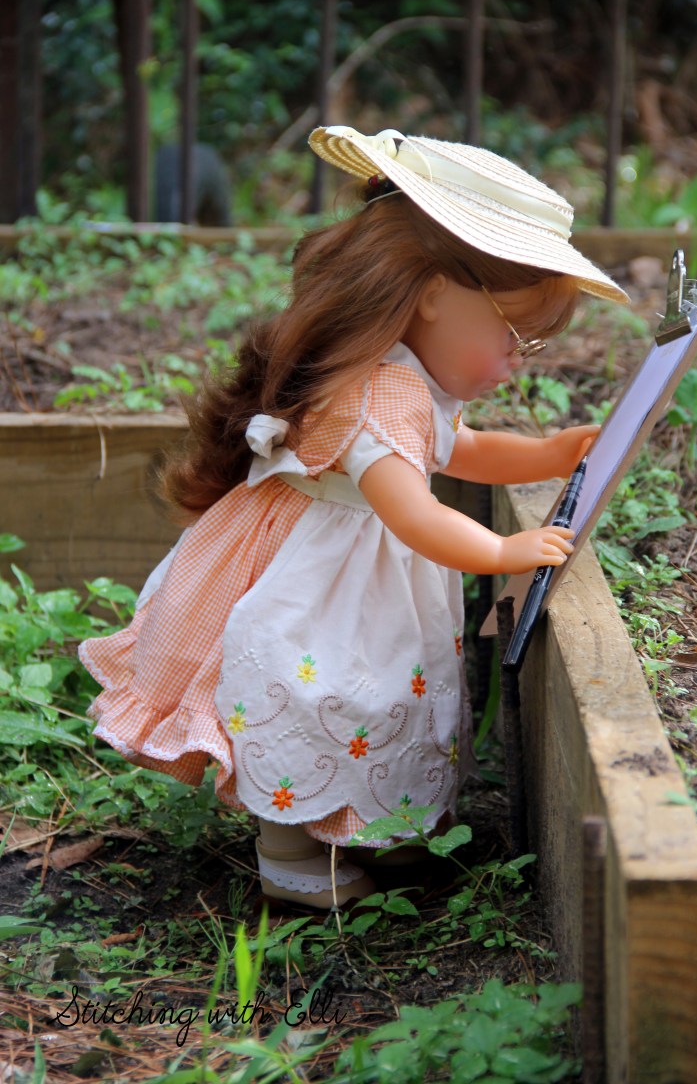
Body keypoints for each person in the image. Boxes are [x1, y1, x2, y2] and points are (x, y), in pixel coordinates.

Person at [79, 125, 628, 910]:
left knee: (383, 694)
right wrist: (502, 546)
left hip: (359, 567)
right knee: (319, 691)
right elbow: (411, 511)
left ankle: (378, 818)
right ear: (434, 293)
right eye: (513, 336)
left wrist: (546, 453)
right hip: (322, 578)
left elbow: (455, 449)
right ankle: (289, 847)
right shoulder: (380, 391)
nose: (516, 360)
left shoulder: (402, 378)